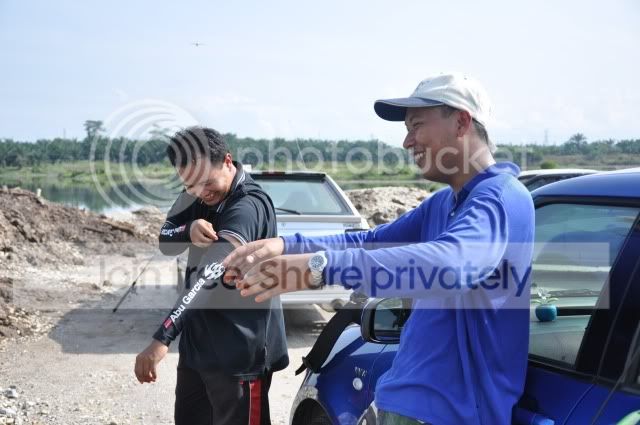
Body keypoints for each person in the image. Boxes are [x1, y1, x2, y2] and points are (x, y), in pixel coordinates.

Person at [223, 74, 535, 425]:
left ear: (462, 121)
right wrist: (284, 244)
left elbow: (450, 264)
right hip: (400, 400)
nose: (407, 141)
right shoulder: (444, 203)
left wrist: (319, 267)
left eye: (417, 125)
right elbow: (369, 241)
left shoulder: (500, 199)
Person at [134, 126, 288, 425]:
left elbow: (211, 274)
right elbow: (166, 240)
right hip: (197, 348)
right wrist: (188, 229)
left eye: (207, 182)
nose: (201, 193)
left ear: (227, 161)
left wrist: (163, 336)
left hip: (239, 352)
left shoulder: (248, 205)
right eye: (190, 185)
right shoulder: (194, 193)